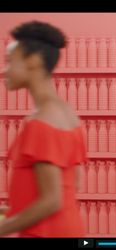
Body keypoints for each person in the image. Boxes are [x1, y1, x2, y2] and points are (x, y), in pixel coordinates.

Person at [0, 21, 86, 237]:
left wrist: (3, 228)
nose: (5, 70)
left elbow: (51, 201)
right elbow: (71, 184)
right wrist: (14, 212)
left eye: (10, 62)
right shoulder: (67, 114)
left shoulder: (41, 122)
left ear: (34, 61)